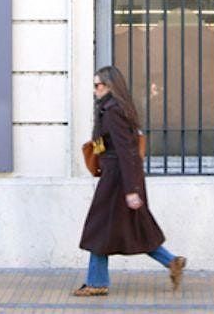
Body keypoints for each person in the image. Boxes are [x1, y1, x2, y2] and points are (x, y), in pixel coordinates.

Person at [74, 65, 187, 297]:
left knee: (98, 228)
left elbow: (127, 152)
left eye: (98, 85)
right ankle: (172, 262)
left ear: (110, 86)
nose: (95, 89)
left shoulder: (113, 111)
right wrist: (95, 151)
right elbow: (109, 143)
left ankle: (97, 282)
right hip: (116, 176)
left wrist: (131, 190)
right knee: (136, 229)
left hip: (117, 180)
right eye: (94, 85)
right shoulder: (111, 109)